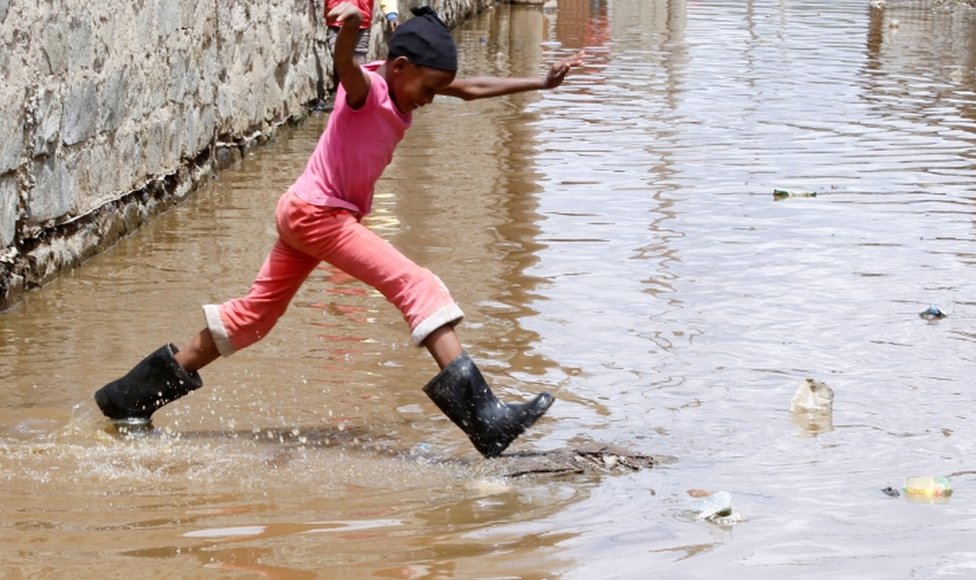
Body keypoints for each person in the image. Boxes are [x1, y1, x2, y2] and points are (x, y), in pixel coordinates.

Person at [94, 4, 585, 458]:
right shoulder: (367, 89)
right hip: (319, 215)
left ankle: (129, 399)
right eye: (428, 90)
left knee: (252, 320)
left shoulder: (406, 90)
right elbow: (345, 68)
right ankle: (486, 419)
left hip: (306, 213)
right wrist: (349, 32)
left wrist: (541, 83)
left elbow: (472, 88)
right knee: (418, 285)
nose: (432, 100)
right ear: (400, 67)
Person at [326, 0, 399, 67]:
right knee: (338, 58)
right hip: (335, 22)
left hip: (362, 24)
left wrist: (391, 15)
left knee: (359, 59)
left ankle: (356, 80)